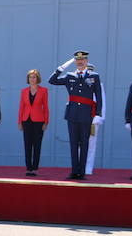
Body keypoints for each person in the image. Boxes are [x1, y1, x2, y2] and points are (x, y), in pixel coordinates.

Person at [49, 51, 103, 180]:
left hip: (86, 114)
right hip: (72, 114)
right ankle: (74, 171)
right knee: (73, 143)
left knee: (84, 143)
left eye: (82, 59)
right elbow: (52, 80)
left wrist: (98, 114)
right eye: (77, 60)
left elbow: (99, 96)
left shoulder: (94, 76)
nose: (80, 62)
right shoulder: (69, 76)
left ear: (86, 61)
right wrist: (62, 67)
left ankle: (82, 172)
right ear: (75, 61)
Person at [17, 69, 49, 176]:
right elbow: (21, 107)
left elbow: (46, 107)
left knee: (37, 144)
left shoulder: (43, 90)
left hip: (39, 121)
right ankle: (28, 168)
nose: (32, 79)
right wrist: (19, 122)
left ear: (38, 78)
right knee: (27, 144)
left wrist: (46, 122)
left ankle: (35, 168)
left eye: (34, 77)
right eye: (30, 77)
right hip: (26, 120)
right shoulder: (24, 91)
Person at [84, 63, 106, 175]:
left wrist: (100, 117)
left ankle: (88, 168)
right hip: (81, 116)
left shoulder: (98, 84)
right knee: (79, 143)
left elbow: (102, 102)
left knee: (91, 144)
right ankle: (79, 166)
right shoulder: (79, 83)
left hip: (93, 117)